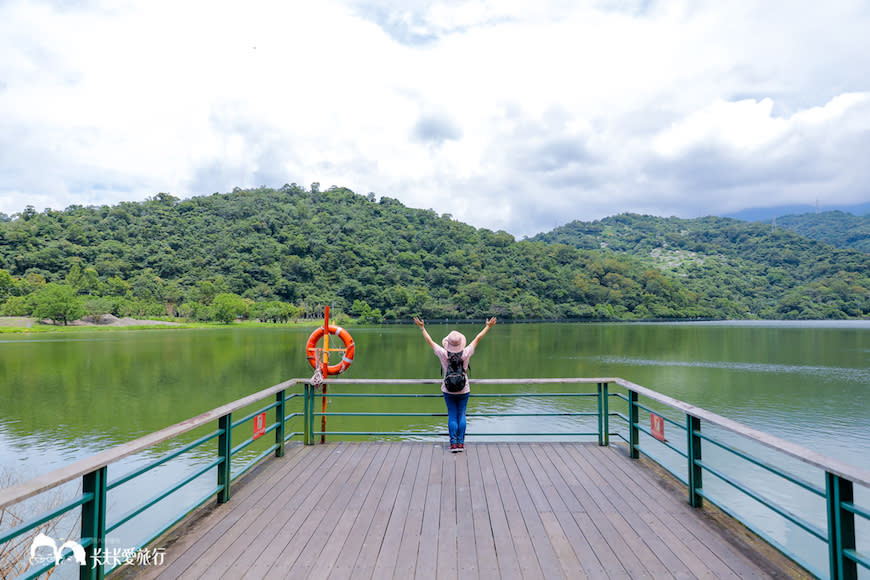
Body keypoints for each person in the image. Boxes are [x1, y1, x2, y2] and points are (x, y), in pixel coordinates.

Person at [413, 316, 497, 453]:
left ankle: (453, 445)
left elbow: (430, 341)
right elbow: (478, 338)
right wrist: (488, 326)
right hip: (464, 389)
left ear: (448, 343)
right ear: (461, 343)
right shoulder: (466, 352)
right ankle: (461, 444)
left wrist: (422, 327)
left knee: (452, 415)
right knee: (461, 415)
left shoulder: (442, 353)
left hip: (448, 389)